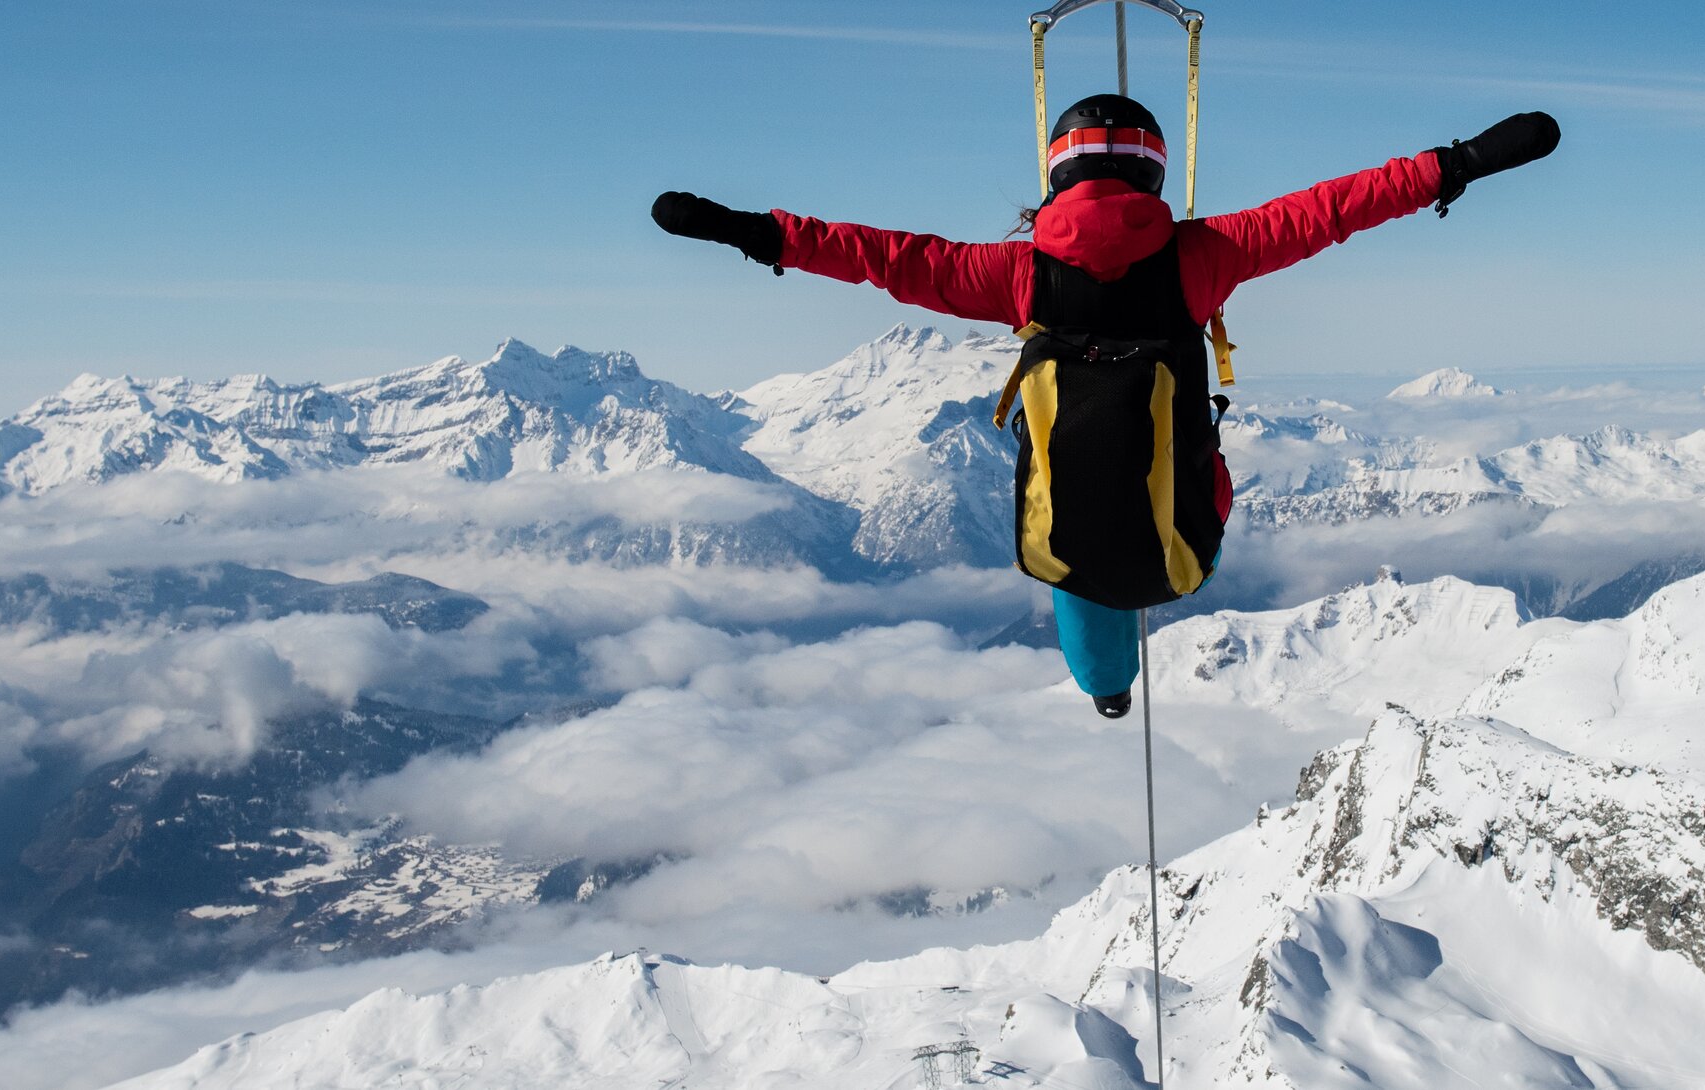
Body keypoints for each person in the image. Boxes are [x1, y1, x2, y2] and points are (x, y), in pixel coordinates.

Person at [653, 94, 1559, 718]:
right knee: (1184, 464)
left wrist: (756, 233)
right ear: (1154, 177)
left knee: (1076, 526)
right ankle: (1123, 643)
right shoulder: (1206, 257)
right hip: (1183, 551)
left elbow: (882, 256)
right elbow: (1329, 210)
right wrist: (1457, 164)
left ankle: (1107, 688)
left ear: (1057, 176)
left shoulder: (1015, 275)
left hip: (1067, 542)